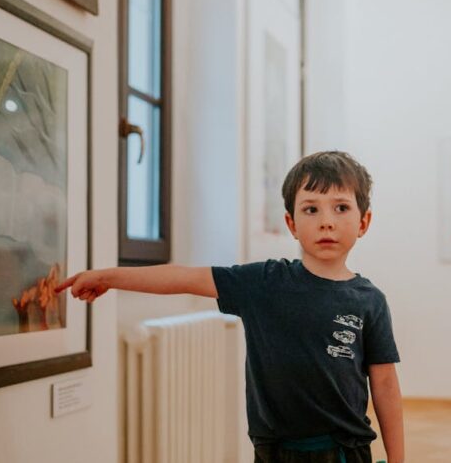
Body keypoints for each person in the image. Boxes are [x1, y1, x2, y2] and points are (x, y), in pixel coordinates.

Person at [56, 151, 404, 463]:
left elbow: (385, 383)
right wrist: (109, 277)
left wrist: (397, 458)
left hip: (342, 451)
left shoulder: (369, 300)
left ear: (363, 222)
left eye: (341, 208)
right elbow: (183, 278)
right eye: (311, 209)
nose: (326, 221)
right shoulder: (263, 282)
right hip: (274, 450)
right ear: (291, 224)